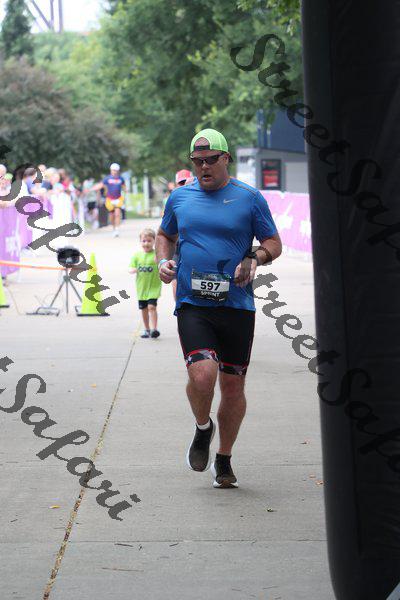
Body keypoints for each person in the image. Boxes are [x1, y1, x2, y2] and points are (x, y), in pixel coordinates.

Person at [156, 128, 282, 488]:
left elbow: (273, 242)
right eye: (197, 161)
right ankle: (202, 427)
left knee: (233, 386)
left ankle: (224, 457)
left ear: (226, 158)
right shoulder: (180, 197)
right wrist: (163, 261)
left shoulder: (249, 198)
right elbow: (165, 235)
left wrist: (255, 257)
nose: (204, 167)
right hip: (193, 303)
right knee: (202, 375)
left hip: (237, 305)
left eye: (211, 160)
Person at [129, 228, 162, 339]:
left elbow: (162, 264)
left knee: (152, 307)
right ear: (140, 242)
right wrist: (132, 270)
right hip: (141, 289)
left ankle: (154, 329)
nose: (146, 243)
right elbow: (131, 267)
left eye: (149, 241)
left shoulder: (156, 255)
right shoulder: (137, 256)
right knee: (144, 309)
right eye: (144, 241)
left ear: (154, 241)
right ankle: (147, 329)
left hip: (153, 287)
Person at [171, 169, 193, 301]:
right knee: (175, 283)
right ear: (176, 184)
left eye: (186, 182)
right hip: (176, 248)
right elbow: (165, 230)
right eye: (181, 182)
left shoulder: (200, 197)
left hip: (192, 247)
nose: (184, 185)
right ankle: (179, 308)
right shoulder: (173, 200)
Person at [91, 163, 125, 237]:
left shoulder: (121, 179)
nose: (114, 172)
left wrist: (125, 192)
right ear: (111, 170)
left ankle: (117, 229)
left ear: (118, 171)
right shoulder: (107, 179)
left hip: (118, 198)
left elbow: (124, 187)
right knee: (112, 215)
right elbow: (100, 185)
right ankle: (114, 228)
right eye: (113, 170)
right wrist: (92, 189)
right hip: (110, 199)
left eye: (116, 170)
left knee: (117, 214)